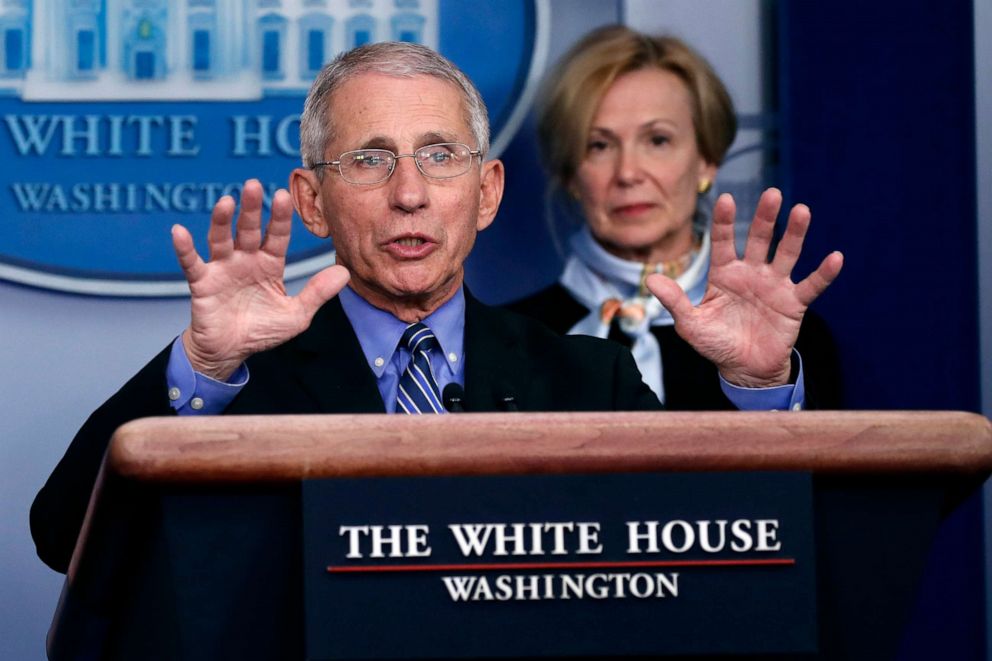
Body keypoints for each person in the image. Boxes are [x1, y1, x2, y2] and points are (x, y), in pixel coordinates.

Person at [31, 41, 842, 574]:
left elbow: (729, 562)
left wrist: (760, 392)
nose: (410, 194)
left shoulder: (590, 373)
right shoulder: (242, 381)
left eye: (440, 157)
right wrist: (205, 367)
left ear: (486, 192)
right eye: (371, 160)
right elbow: (63, 536)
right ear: (313, 202)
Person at [508, 26, 842, 409]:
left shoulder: (789, 342)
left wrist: (762, 385)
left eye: (657, 140)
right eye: (599, 145)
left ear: (707, 160)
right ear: (570, 175)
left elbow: (805, 469)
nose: (628, 172)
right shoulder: (508, 341)